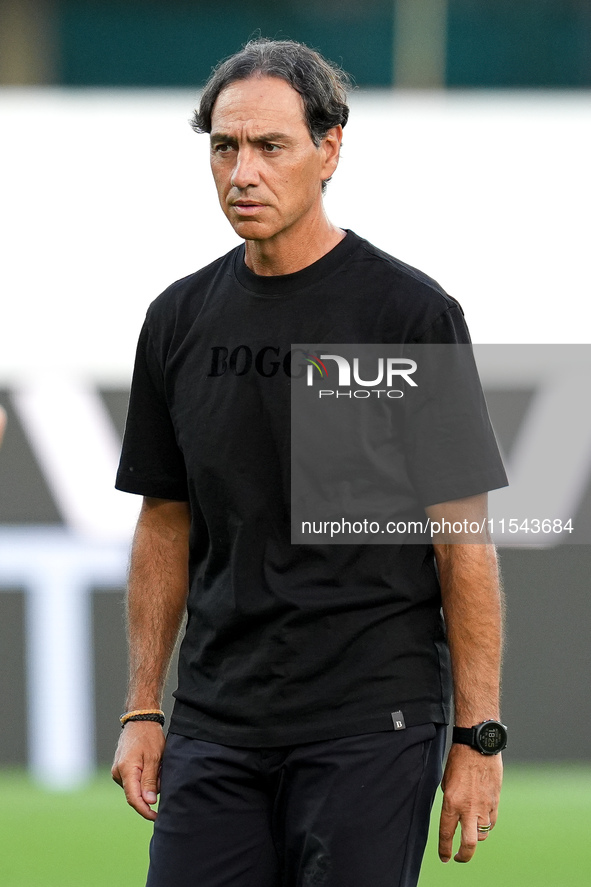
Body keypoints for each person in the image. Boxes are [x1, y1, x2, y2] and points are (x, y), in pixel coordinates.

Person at [112, 38, 508, 887]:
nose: (240, 172)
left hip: (370, 721)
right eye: (224, 147)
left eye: (268, 146)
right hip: (215, 725)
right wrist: (143, 704)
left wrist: (477, 737)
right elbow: (163, 521)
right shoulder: (177, 319)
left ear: (329, 150)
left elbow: (462, 543)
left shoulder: (408, 314)